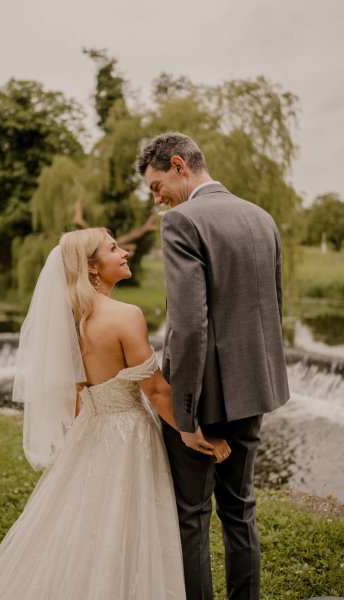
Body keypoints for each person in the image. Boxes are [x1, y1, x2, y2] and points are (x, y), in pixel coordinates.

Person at [0, 227, 231, 600]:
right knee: (128, 525)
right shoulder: (126, 315)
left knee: (80, 520)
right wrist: (191, 432)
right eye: (113, 248)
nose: (124, 253)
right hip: (129, 433)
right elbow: (154, 388)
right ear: (92, 267)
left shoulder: (69, 319)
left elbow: (75, 392)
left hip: (90, 430)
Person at [137, 132, 290, 600]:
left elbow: (187, 326)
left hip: (203, 400)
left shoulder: (182, 221)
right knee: (240, 507)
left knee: (192, 515)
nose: (156, 197)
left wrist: (185, 418)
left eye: (156, 184)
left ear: (180, 165)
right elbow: (273, 308)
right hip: (254, 390)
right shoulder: (261, 218)